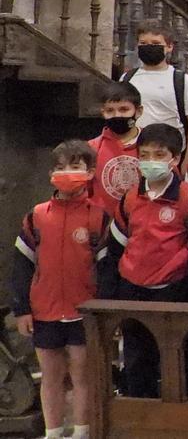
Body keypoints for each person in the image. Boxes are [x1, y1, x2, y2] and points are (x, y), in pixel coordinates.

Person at [11, 140, 109, 439]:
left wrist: (102, 311)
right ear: (51, 173)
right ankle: (53, 432)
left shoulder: (99, 217)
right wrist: (22, 309)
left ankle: (82, 432)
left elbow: (106, 269)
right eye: (60, 167)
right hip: (45, 310)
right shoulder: (37, 215)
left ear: (90, 172)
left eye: (75, 167)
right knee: (51, 377)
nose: (67, 173)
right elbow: (21, 266)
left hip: (85, 312)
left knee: (82, 376)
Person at [107, 123, 188, 398]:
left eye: (159, 155)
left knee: (176, 357)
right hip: (133, 290)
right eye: (145, 155)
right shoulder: (129, 198)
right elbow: (117, 245)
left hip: (175, 290)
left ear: (175, 158)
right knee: (137, 360)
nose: (150, 161)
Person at [124, 21, 188, 156]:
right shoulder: (127, 78)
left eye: (155, 43)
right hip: (134, 151)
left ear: (169, 47)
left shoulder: (181, 80)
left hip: (170, 153)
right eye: (143, 43)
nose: (149, 47)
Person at [90, 82, 143, 216]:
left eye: (124, 110)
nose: (117, 115)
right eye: (110, 111)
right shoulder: (91, 148)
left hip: (142, 223)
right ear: (103, 112)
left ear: (138, 111)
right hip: (103, 225)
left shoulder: (153, 145)